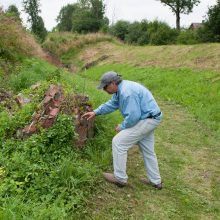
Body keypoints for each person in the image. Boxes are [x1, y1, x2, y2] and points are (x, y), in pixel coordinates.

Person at [82, 71, 163, 189]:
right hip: (150, 118)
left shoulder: (126, 92)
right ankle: (156, 181)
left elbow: (133, 116)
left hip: (147, 120)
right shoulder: (121, 90)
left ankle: (120, 178)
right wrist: (96, 112)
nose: (104, 90)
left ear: (113, 83)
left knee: (119, 142)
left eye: (105, 87)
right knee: (147, 150)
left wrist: (122, 126)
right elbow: (112, 104)